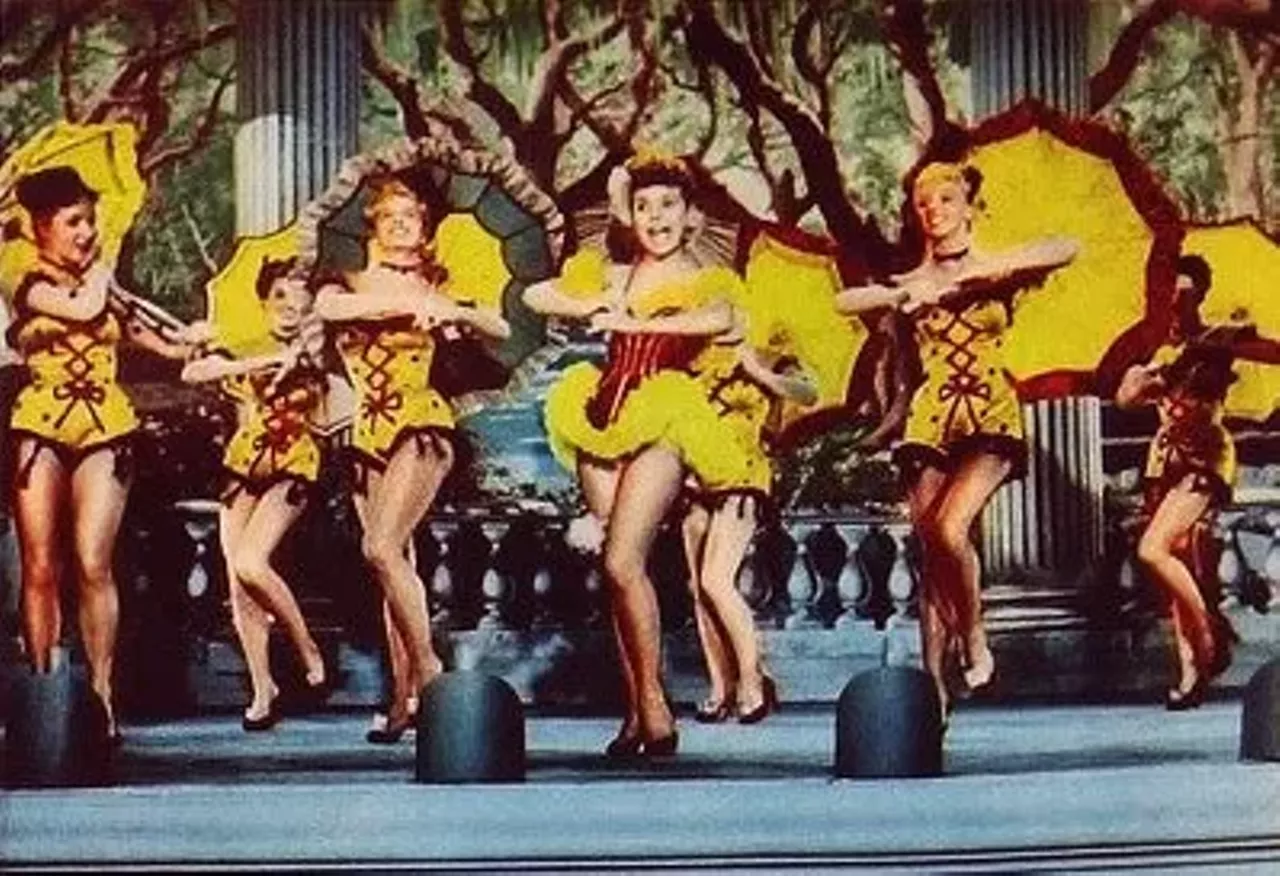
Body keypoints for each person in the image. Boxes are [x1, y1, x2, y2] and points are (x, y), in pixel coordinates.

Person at [524, 149, 748, 758]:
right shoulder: (615, 274)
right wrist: (589, 306)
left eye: (668, 205)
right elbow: (537, 295)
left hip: (665, 417)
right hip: (601, 415)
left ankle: (653, 702)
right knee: (615, 573)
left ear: (691, 214)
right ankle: (636, 712)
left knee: (624, 561)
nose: (656, 218)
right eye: (644, 207)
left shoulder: (705, 279)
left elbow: (722, 321)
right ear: (630, 216)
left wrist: (641, 323)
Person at [835, 161, 1077, 717]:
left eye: (946, 199)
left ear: (968, 207)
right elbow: (845, 303)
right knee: (932, 552)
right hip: (933, 417)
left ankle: (974, 637)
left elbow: (1066, 248)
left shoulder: (997, 270)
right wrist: (902, 296)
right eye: (924, 204)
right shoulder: (911, 281)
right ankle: (934, 696)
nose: (935, 211)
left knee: (949, 527)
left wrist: (983, 271)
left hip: (989, 410)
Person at [315, 177, 509, 743]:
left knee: (380, 547)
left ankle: (428, 669)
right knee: (392, 566)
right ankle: (403, 698)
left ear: (425, 228)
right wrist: (407, 302)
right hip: (368, 432)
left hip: (420, 422)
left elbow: (498, 325)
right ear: (372, 225)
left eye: (412, 217)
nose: (401, 225)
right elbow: (330, 308)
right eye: (390, 216)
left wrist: (449, 312)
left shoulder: (440, 287)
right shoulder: (347, 281)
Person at [7, 165, 193, 741]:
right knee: (41, 564)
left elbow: (162, 343)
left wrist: (195, 341)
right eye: (74, 222)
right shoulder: (26, 279)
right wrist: (103, 278)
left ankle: (101, 696)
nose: (87, 233)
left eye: (90, 221)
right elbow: (83, 310)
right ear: (42, 227)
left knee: (93, 561)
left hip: (104, 425)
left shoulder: (101, 287)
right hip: (42, 423)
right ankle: (45, 690)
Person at [1116, 254, 1280, 709]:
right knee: (1178, 564)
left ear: (1200, 296)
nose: (1177, 301)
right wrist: (1151, 377)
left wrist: (1236, 336)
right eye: (1170, 292)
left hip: (1205, 453)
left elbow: (1273, 353)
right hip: (1163, 461)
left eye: (1186, 293)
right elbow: (1125, 398)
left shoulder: (1217, 340)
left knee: (1153, 549)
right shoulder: (1148, 348)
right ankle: (1191, 670)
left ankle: (1208, 633)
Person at [182, 257, 330, 730]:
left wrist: (300, 358)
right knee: (238, 583)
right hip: (243, 464)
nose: (289, 306)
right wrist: (254, 361)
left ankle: (305, 645)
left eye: (299, 299)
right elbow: (193, 373)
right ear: (264, 300)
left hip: (294, 464)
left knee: (251, 562)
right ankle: (264, 688)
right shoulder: (248, 345)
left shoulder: (318, 348)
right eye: (280, 296)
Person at [682, 319, 815, 725]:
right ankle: (720, 686)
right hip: (693, 476)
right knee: (698, 588)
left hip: (741, 472)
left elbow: (808, 393)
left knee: (716, 581)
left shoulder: (766, 348)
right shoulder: (688, 350)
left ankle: (752, 679)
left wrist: (759, 372)